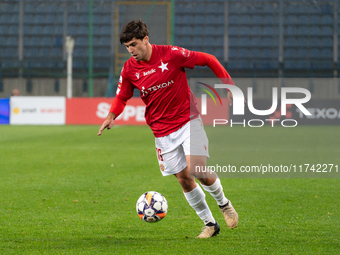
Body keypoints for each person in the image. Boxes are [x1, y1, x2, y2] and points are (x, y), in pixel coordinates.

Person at [98, 19, 238, 238]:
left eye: (134, 44)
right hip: (161, 132)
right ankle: (210, 224)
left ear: (146, 39)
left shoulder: (171, 54)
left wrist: (228, 83)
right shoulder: (129, 69)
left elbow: (208, 59)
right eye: (127, 47)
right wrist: (111, 115)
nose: (131, 50)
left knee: (197, 170)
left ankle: (224, 204)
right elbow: (122, 95)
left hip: (187, 120)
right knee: (184, 179)